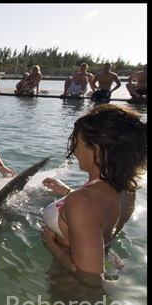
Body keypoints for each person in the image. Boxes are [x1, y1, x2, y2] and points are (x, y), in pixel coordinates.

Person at [41, 104, 147, 288]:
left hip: (72, 287)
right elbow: (99, 219)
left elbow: (89, 279)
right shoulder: (126, 188)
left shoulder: (83, 202)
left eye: (76, 141)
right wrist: (68, 192)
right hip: (107, 260)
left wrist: (50, 244)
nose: (73, 149)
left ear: (96, 150)